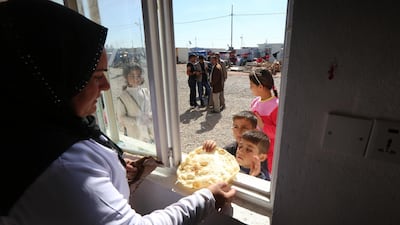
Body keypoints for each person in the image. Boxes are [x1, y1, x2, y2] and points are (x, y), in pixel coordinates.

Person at [0, 1, 236, 224]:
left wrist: (113, 167)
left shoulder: (28, 129)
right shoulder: (62, 165)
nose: (106, 86)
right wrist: (207, 198)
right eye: (95, 76)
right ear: (56, 80)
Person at [203, 111, 270, 180]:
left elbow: (266, 184)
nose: (239, 131)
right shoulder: (229, 150)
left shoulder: (261, 155)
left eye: (244, 128)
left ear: (254, 130)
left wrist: (255, 177)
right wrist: (210, 150)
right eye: (236, 127)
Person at [249, 68, 279, 176]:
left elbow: (279, 132)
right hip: (256, 148)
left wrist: (263, 126)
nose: (250, 88)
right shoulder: (255, 102)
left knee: (267, 176)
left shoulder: (276, 105)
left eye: (252, 85)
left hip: (269, 152)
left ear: (260, 87)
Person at [116, 64, 154, 143]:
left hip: (150, 131)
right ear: (126, 77)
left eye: (138, 75)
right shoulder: (122, 97)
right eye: (132, 75)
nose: (136, 78)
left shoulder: (146, 92)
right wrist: (137, 120)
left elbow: (152, 108)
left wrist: (151, 116)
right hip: (135, 135)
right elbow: (120, 118)